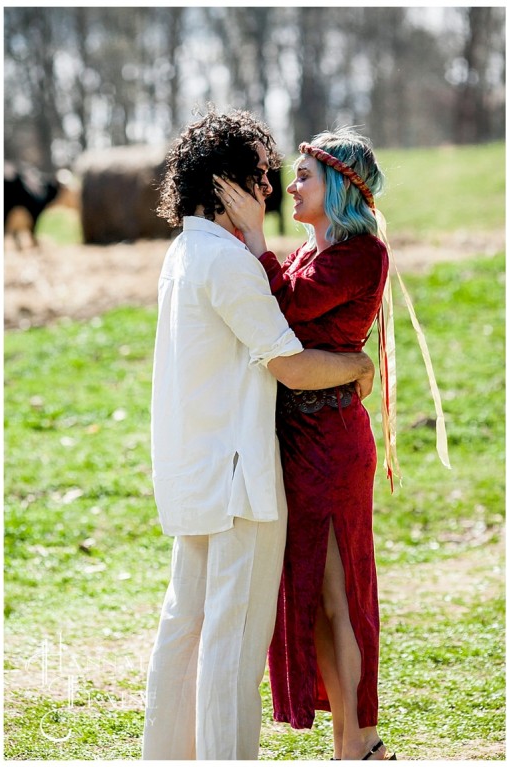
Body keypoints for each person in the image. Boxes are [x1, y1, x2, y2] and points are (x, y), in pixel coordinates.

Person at [143, 109, 375, 760]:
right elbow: (293, 365)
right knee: (233, 640)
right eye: (258, 178)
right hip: (238, 481)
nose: (269, 191)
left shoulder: (183, 252)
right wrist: (359, 366)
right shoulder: (227, 261)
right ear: (224, 184)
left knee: (185, 625)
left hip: (194, 467)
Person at [218, 128, 396, 760]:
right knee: (315, 592)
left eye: (303, 178)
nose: (291, 188)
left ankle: (361, 742)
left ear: (341, 187)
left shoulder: (361, 254)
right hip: (295, 436)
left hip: (331, 437)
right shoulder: (309, 250)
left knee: (338, 589)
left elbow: (284, 309)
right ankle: (353, 739)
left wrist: (255, 238)